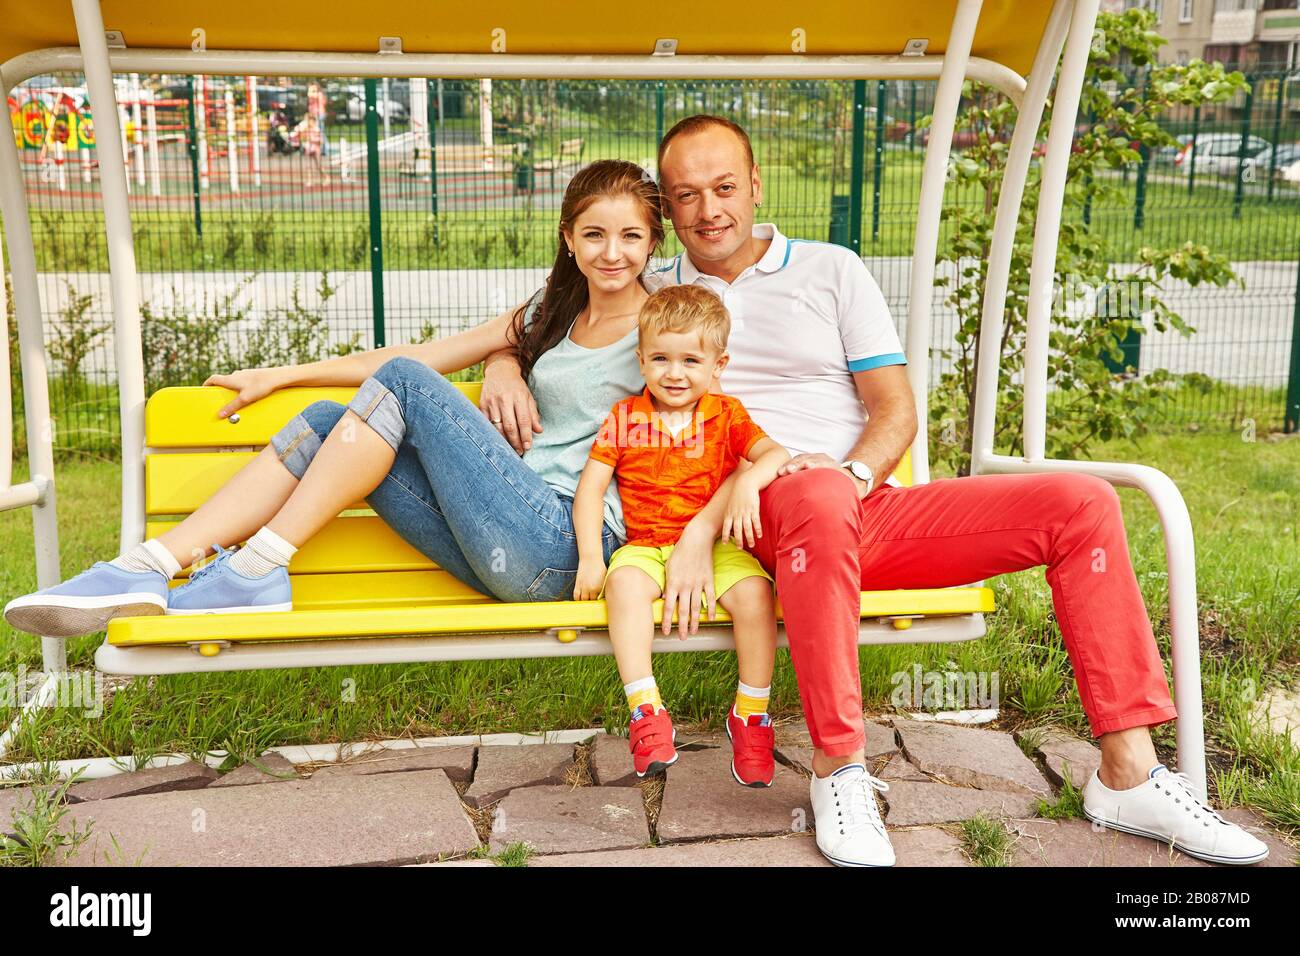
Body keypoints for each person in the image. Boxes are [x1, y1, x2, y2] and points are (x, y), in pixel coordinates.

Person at [477, 115, 1270, 868]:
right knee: (815, 494)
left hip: (854, 502)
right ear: (666, 210)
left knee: (1082, 504)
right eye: (683, 195)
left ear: (756, 184)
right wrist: (507, 363)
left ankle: (1128, 774)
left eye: (722, 187)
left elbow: (895, 409)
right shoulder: (651, 289)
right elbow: (539, 327)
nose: (706, 209)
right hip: (751, 513)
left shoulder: (832, 270)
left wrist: (854, 478)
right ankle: (839, 768)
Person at [3, 161, 663, 638]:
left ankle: (256, 567)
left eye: (631, 236)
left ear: (653, 243)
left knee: (402, 383)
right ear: (568, 238)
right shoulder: (550, 312)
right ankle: (149, 566)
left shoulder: (662, 326)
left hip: (570, 549)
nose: (613, 252)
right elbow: (431, 354)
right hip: (503, 540)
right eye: (595, 234)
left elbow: (704, 417)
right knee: (327, 419)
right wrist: (286, 375)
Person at [573, 284, 790, 784]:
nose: (675, 373)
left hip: (715, 548)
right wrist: (591, 557)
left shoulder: (727, 414)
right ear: (641, 360)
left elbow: (775, 455)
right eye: (661, 358)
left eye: (691, 360)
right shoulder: (625, 418)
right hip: (646, 546)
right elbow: (590, 491)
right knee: (624, 588)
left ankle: (751, 712)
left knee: (757, 594)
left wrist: (749, 481)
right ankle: (645, 710)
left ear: (718, 365)